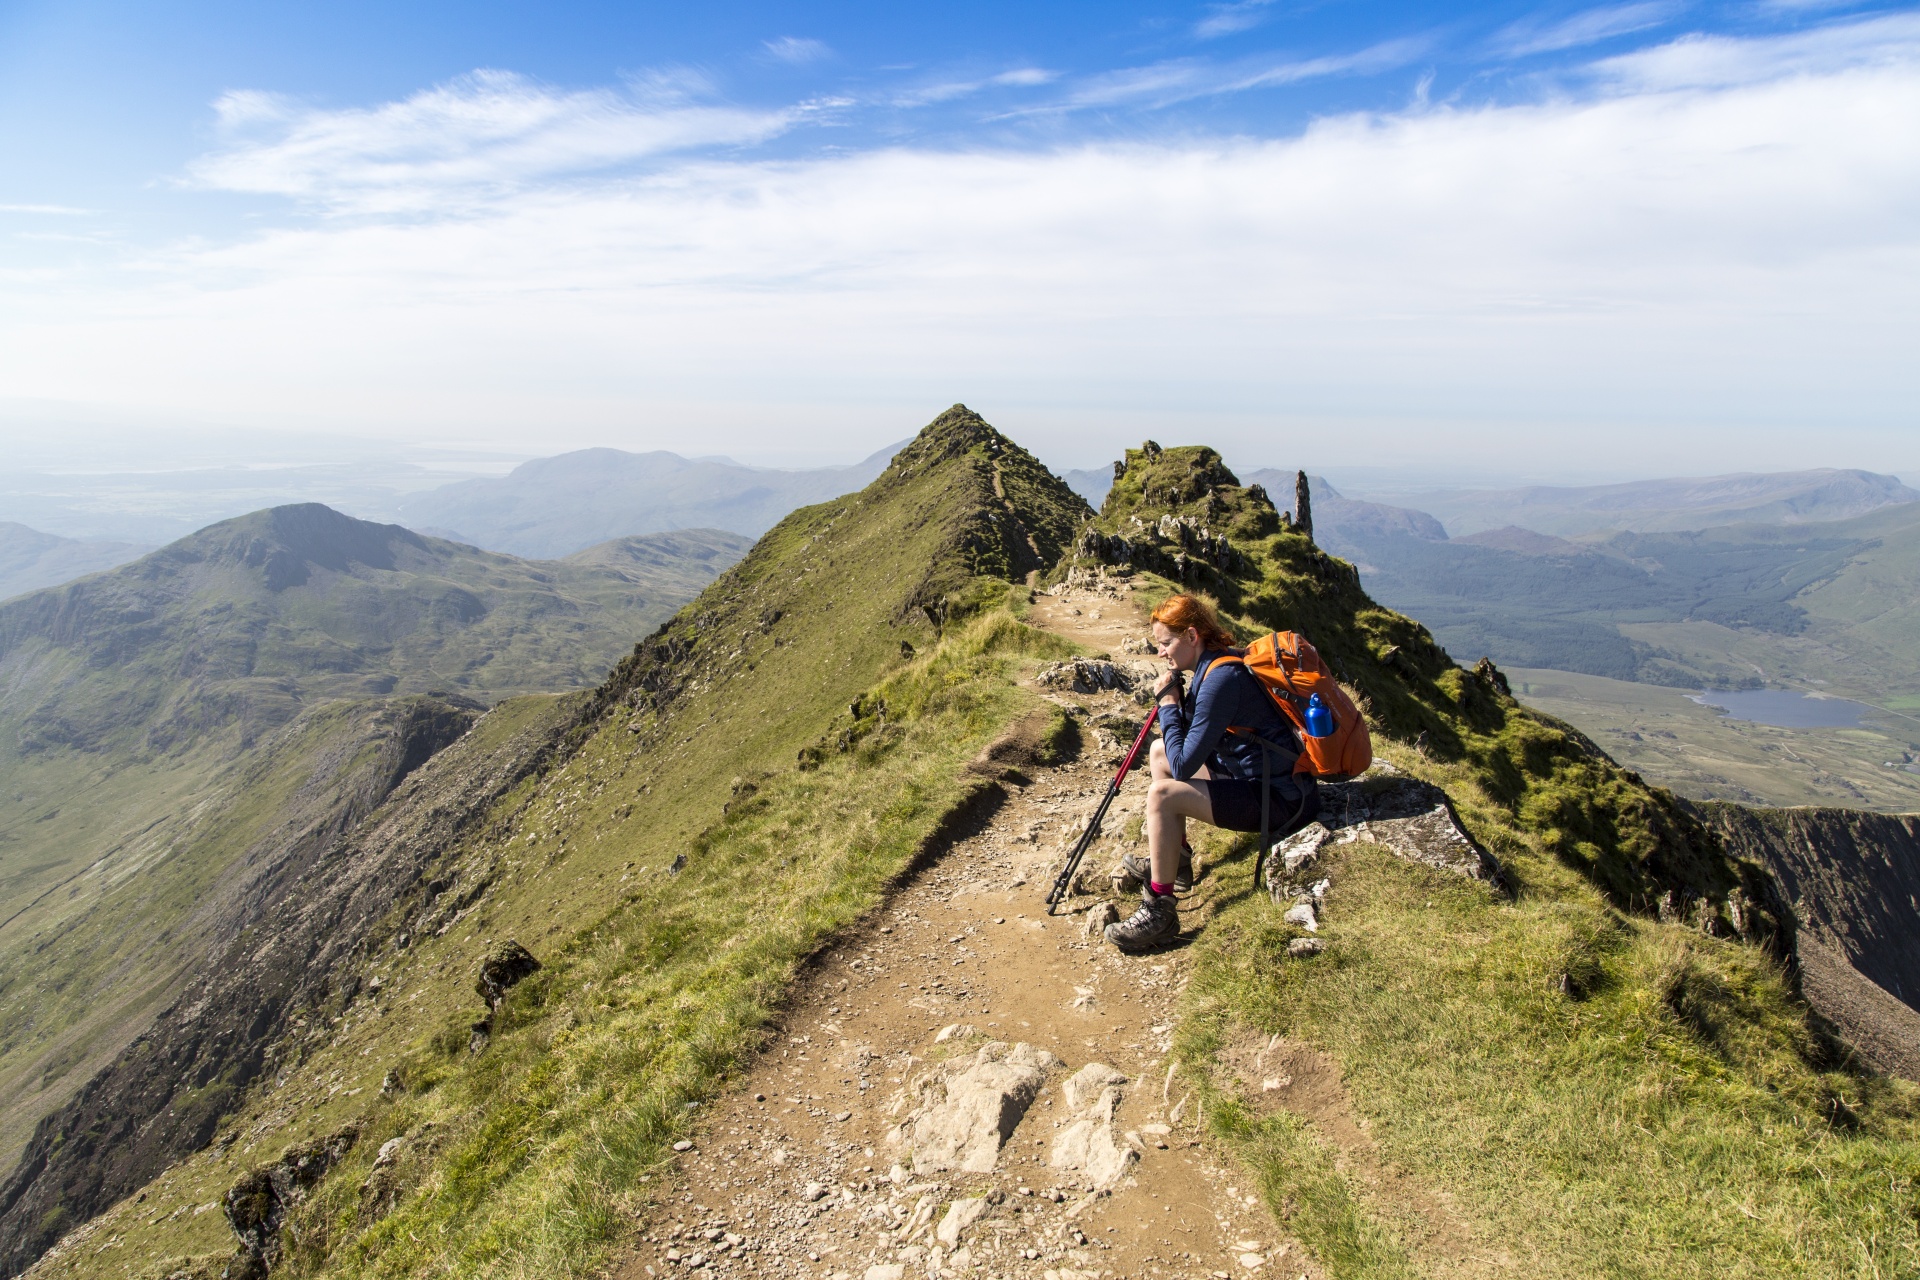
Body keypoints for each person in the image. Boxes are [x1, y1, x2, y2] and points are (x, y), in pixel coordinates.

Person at [1105, 594, 1320, 952]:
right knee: (1159, 752)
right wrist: (1176, 708)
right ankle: (1178, 863)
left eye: (1165, 643)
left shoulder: (1221, 680)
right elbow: (1180, 750)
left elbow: (1185, 763)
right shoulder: (1218, 663)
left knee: (1162, 796)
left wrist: (1170, 706)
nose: (1161, 653)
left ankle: (1160, 910)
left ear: (1192, 635)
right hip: (1258, 780)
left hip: (1282, 801)